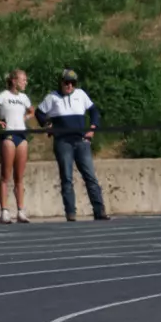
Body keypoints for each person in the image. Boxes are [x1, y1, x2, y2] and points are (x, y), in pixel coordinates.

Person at [35, 68, 109, 221]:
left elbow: (94, 111)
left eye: (72, 83)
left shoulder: (81, 94)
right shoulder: (52, 97)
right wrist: (47, 125)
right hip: (63, 142)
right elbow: (39, 112)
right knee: (67, 178)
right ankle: (70, 212)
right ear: (61, 82)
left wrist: (93, 128)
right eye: (66, 82)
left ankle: (99, 210)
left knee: (90, 176)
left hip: (81, 140)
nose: (69, 86)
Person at [0, 68, 33, 223]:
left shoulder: (24, 97)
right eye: (23, 79)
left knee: (19, 177)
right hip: (8, 135)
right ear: (14, 81)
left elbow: (32, 111)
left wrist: (25, 118)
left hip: (21, 135)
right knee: (6, 175)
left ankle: (21, 211)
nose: (25, 82)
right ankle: (4, 211)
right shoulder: (3, 95)